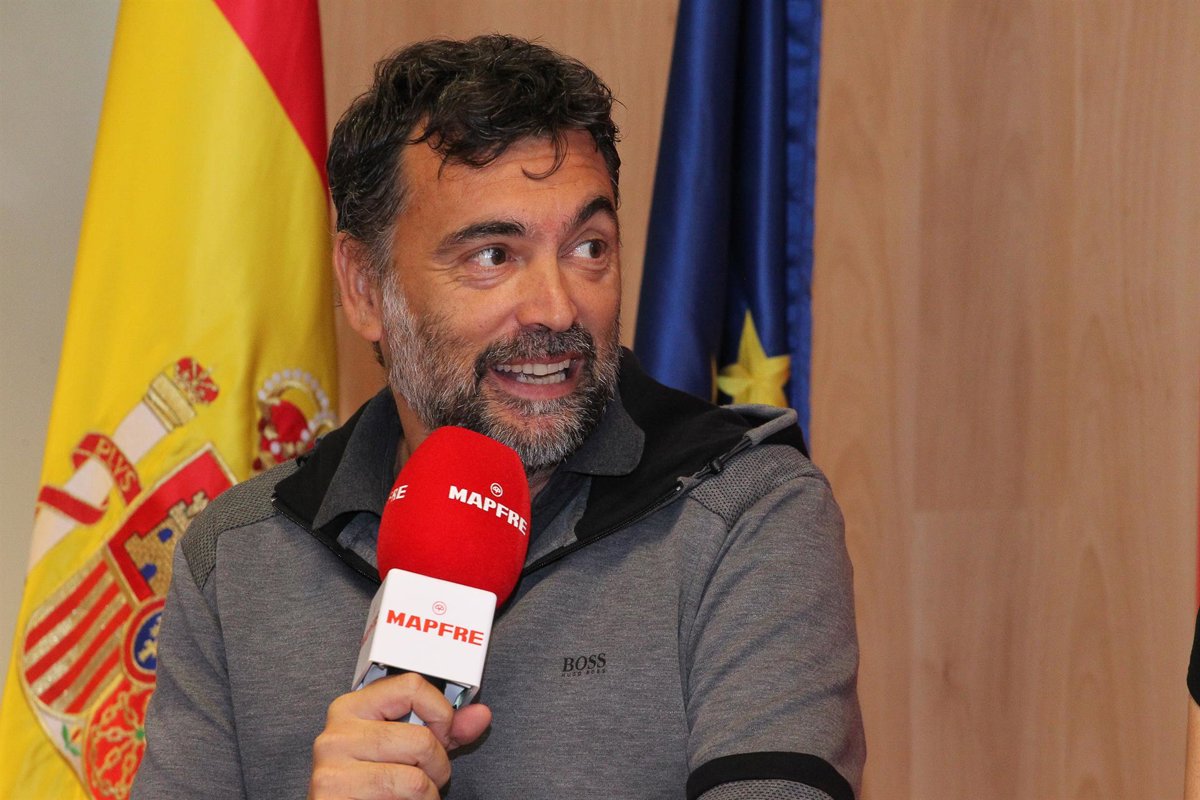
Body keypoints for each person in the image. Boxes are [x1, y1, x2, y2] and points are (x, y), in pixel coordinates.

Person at [132, 35, 865, 800]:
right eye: (493, 256)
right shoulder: (238, 558)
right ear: (363, 286)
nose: (557, 308)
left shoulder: (745, 511)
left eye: (588, 247)